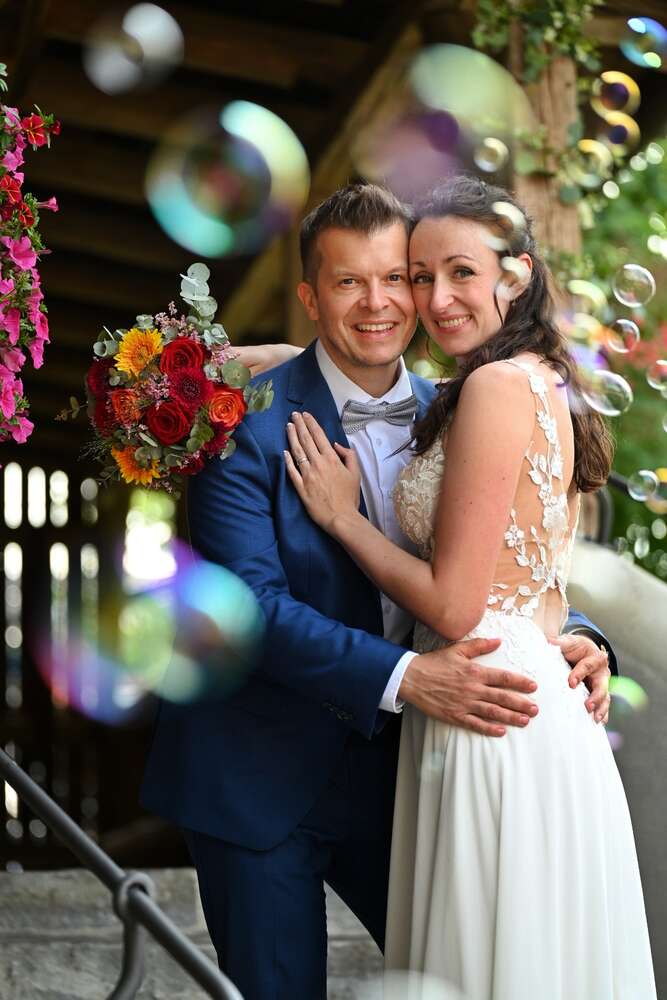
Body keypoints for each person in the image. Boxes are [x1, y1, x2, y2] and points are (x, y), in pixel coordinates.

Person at [141, 182, 614, 1000]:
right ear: (309, 297)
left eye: (397, 277)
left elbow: (501, 557)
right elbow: (246, 611)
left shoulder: (461, 407)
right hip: (259, 776)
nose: (380, 303)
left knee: (476, 979)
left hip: (412, 777)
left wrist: (577, 635)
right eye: (347, 282)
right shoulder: (241, 426)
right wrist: (406, 679)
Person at [282, 176, 656, 998]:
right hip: (524, 688)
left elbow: (453, 605)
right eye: (420, 276)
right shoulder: (531, 381)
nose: (434, 297)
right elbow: (540, 589)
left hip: (485, 706)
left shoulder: (488, 388)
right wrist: (271, 359)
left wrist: (345, 519)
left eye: (459, 272)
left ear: (515, 275)